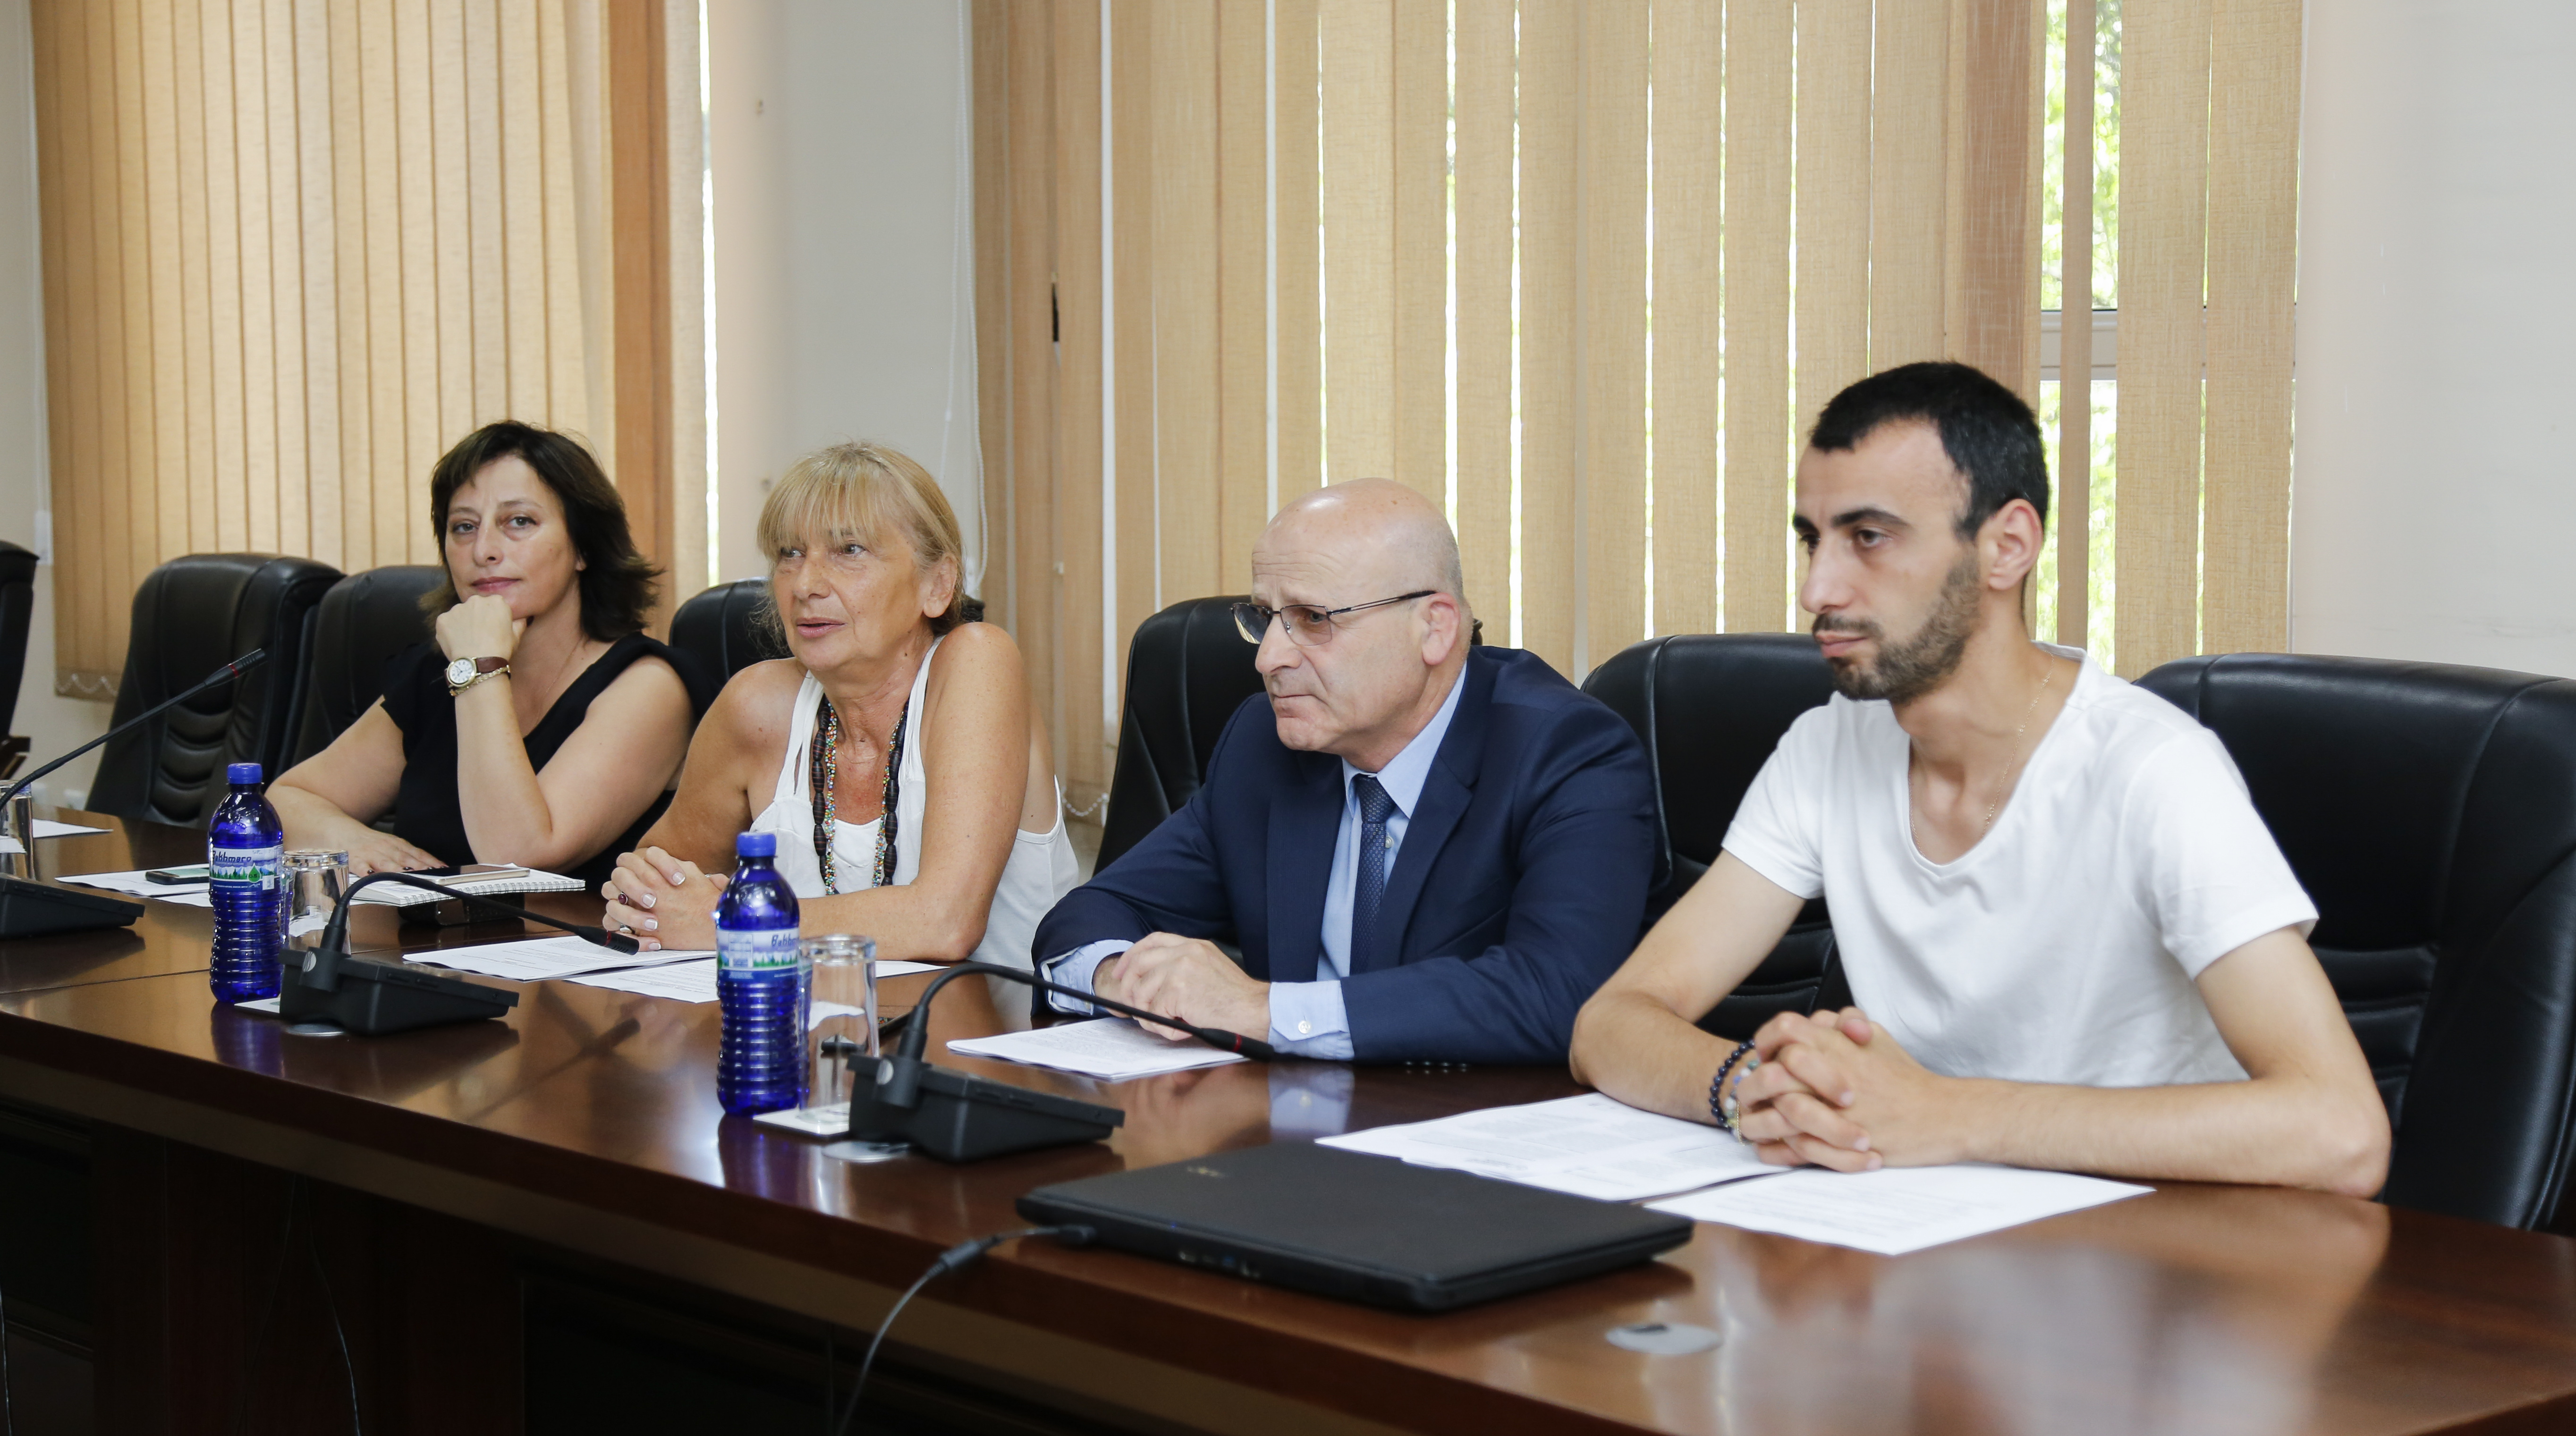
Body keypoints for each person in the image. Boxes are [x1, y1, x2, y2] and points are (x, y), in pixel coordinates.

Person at [1569, 362, 2391, 1195]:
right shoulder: (1828, 747)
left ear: (2007, 547)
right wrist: (1755, 1089)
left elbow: (2343, 1132)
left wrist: (1948, 1114)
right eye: (1814, 539)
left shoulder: (2155, 770)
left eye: (1869, 536)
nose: (1818, 588)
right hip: (1922, 1223)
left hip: (2146, 1241)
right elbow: (1612, 1022)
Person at [1032, 478, 1660, 1064]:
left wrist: (1260, 1010)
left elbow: (1557, 993)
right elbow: (1093, 911)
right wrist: (1121, 978)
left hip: (1476, 1124)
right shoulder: (1263, 744)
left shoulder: (1567, 753)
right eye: (1264, 618)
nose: (1269, 659)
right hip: (1291, 1120)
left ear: (1435, 628)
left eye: (1313, 619)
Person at [598, 441, 1078, 993]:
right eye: (790, 553)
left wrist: (728, 921)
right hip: (813, 1033)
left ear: (937, 585)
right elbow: (655, 881)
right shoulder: (756, 706)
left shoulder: (977, 663)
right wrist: (644, 899)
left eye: (849, 550)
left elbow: (945, 922)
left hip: (1007, 1036)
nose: (806, 585)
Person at [274, 422, 712, 890]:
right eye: (464, 527)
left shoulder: (649, 686)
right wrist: (351, 841)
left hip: (568, 939)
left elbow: (517, 856)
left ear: (583, 547)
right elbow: (286, 799)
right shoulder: (440, 674)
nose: (483, 551)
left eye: (519, 522)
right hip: (422, 937)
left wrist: (481, 666)